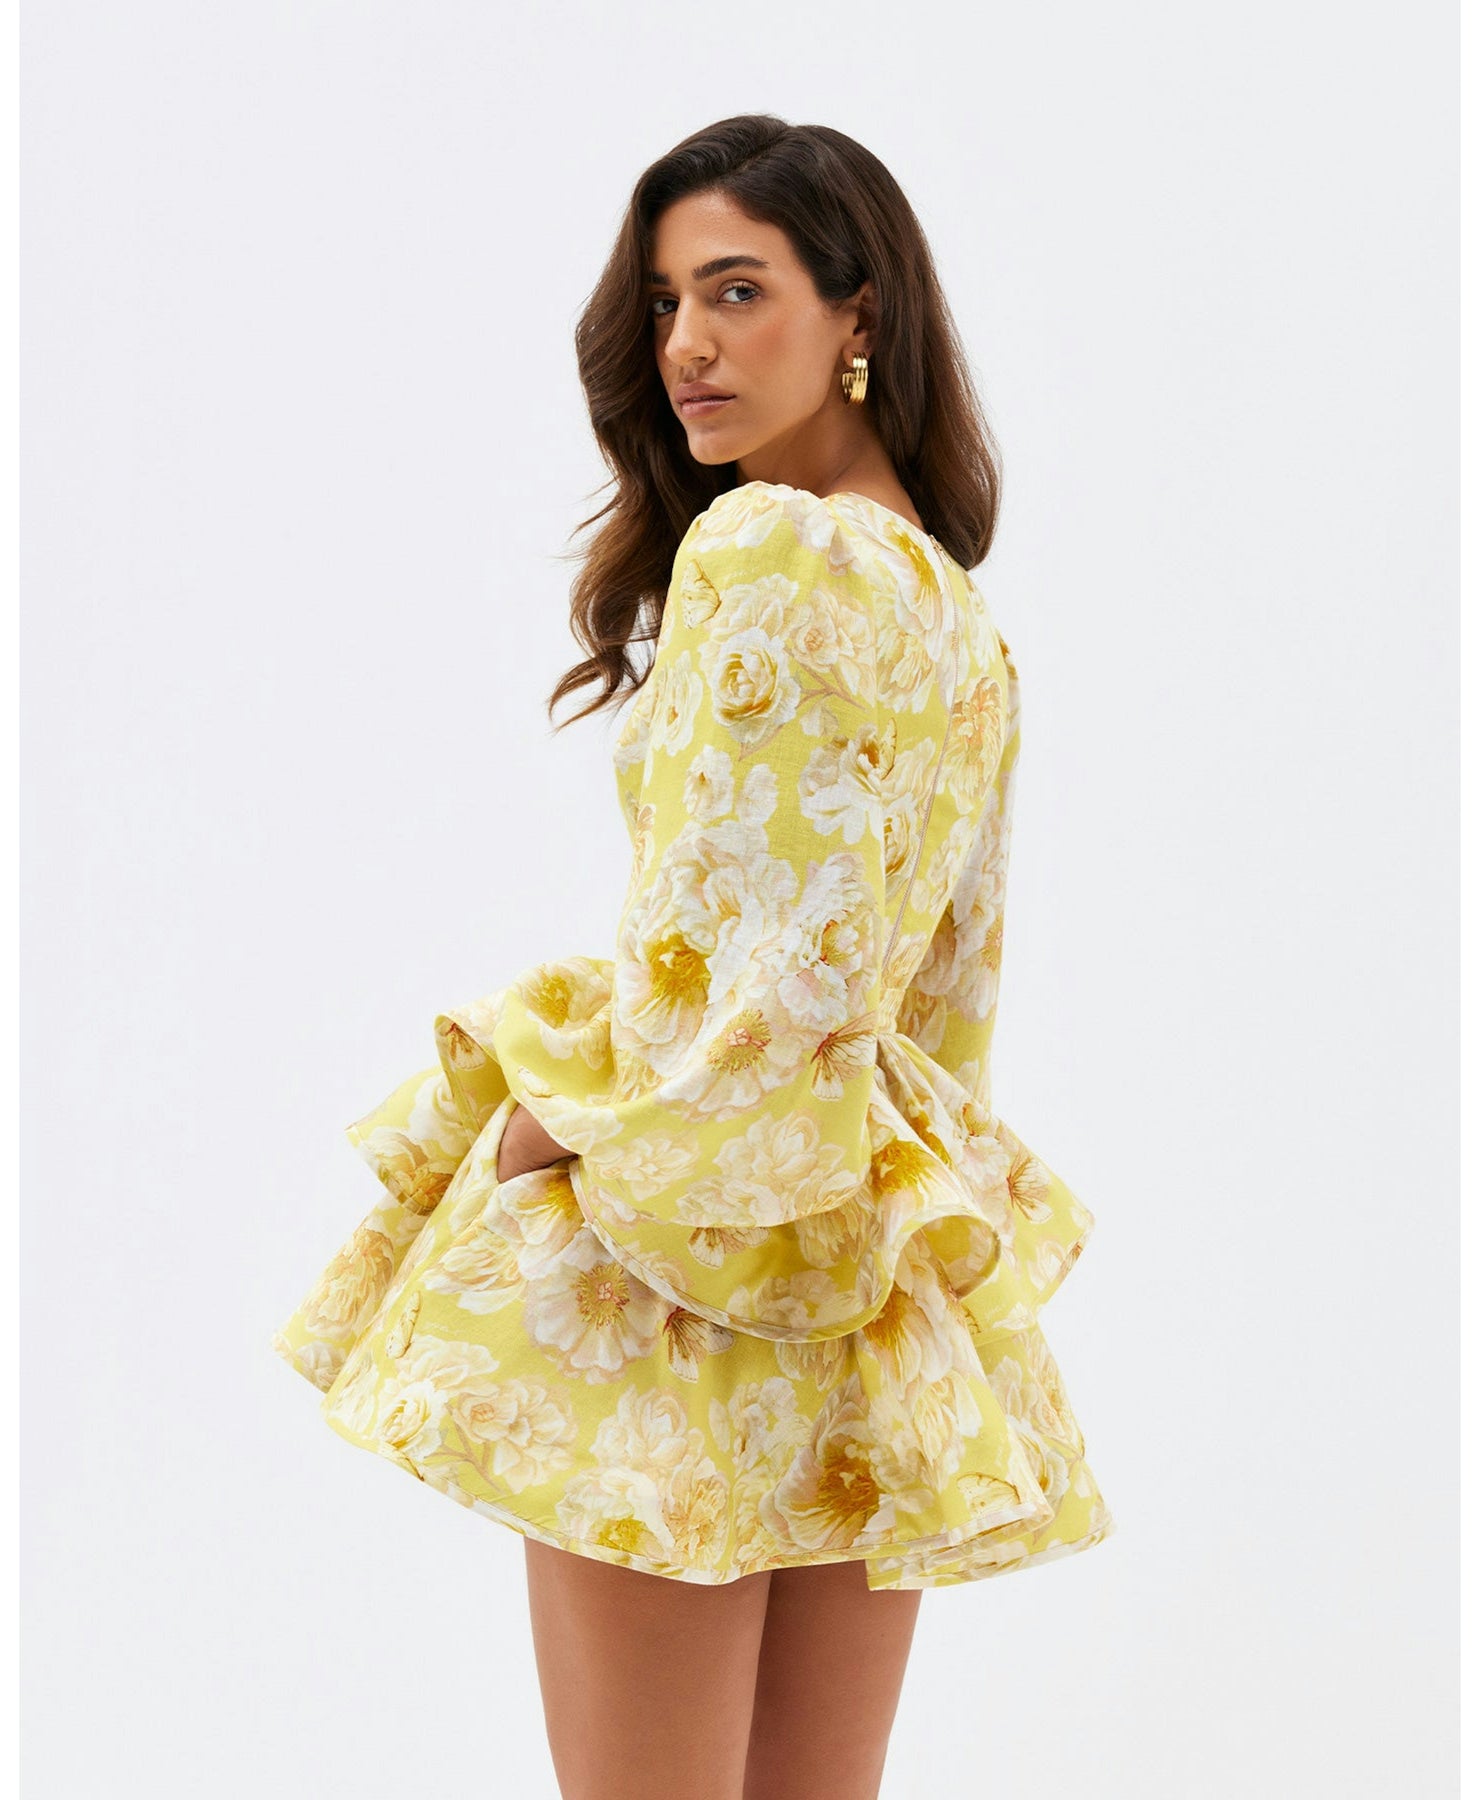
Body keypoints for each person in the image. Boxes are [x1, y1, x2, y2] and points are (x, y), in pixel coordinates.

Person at [273, 113, 1115, 1800]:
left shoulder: (768, 546)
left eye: (737, 292)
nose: (686, 349)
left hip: (679, 1261)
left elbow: (735, 957)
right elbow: (943, 997)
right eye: (665, 304)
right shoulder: (954, 610)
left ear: (859, 312)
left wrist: (559, 1132)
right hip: (853, 1268)